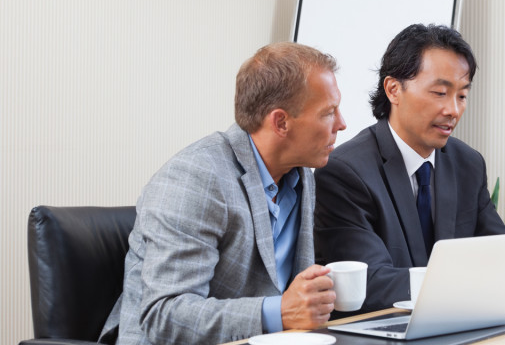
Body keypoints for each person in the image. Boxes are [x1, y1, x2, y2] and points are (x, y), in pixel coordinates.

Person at [314, 24, 505, 313]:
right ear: (393, 90)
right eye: (440, 93)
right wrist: (467, 280)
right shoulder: (344, 171)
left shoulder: (467, 163)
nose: (454, 110)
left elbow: (502, 253)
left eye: (462, 96)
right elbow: (370, 283)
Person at [99, 43, 348, 344]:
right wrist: (279, 312)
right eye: (328, 113)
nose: (342, 124)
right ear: (281, 122)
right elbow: (165, 316)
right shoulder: (196, 178)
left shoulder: (301, 175)